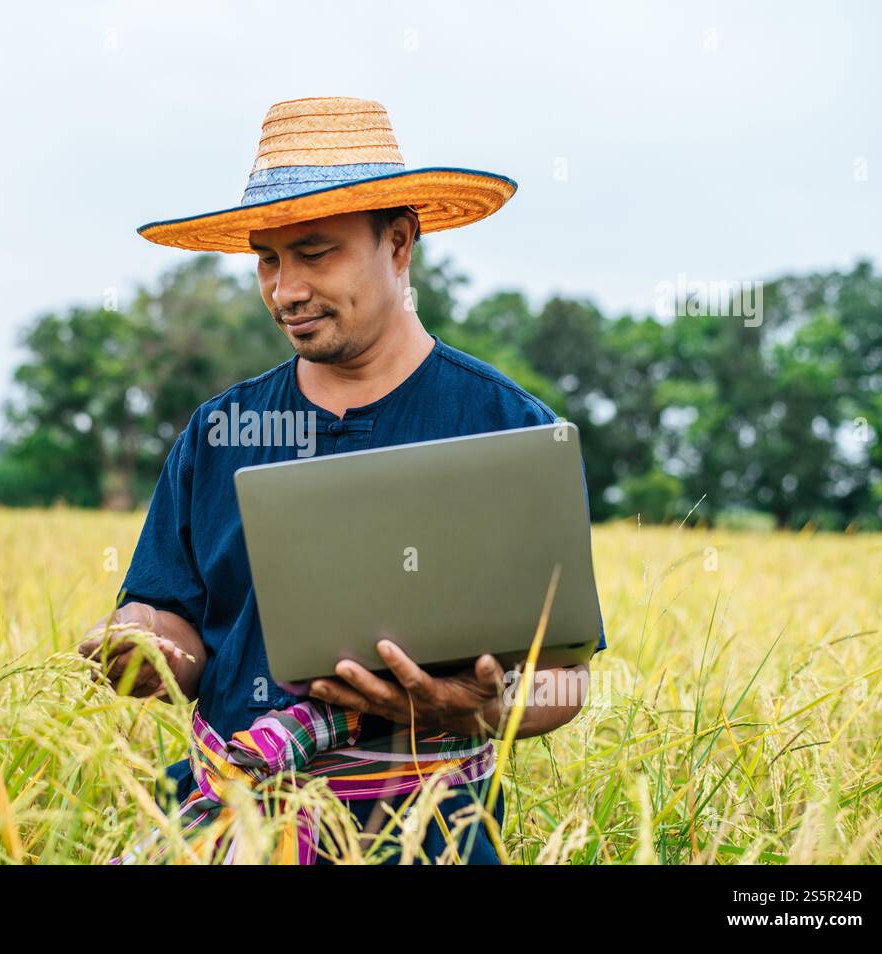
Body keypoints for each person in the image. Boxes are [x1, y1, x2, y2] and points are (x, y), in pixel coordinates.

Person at [79, 96, 606, 865]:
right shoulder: (219, 431)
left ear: (398, 244)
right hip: (230, 823)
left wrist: (482, 707)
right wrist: (146, 647)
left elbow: (567, 681)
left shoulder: (508, 426)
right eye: (269, 258)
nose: (285, 289)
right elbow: (178, 624)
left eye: (315, 253)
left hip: (430, 836)